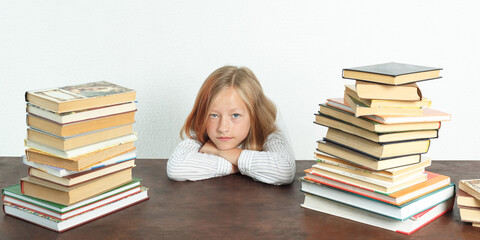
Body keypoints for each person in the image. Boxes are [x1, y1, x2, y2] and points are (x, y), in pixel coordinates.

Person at [167, 66, 295, 185]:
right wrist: (235, 165)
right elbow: (176, 168)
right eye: (214, 115)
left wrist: (218, 152)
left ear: (254, 116)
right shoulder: (202, 134)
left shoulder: (268, 134)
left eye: (235, 115)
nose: (222, 128)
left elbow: (285, 170)